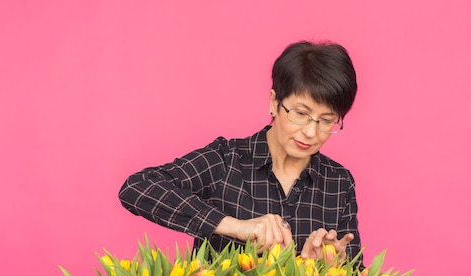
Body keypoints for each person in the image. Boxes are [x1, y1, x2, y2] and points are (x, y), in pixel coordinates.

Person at [119, 40, 361, 263]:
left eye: (326, 120)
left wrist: (328, 267)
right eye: (300, 114)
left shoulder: (338, 182)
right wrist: (235, 227)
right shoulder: (226, 160)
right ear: (274, 102)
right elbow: (137, 188)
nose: (311, 132)